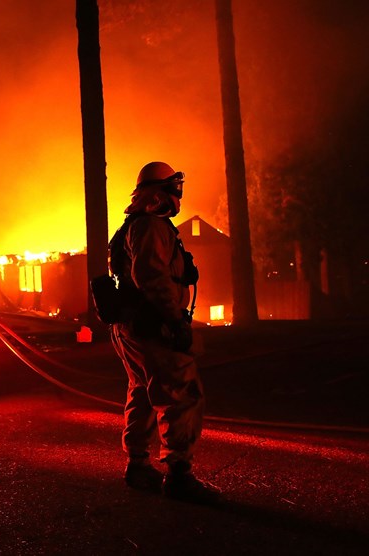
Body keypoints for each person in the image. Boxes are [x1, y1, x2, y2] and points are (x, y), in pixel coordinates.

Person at [108, 161, 219, 504]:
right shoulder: (152, 227)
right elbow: (153, 277)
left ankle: (138, 465)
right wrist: (174, 321)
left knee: (143, 392)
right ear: (158, 194)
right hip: (153, 325)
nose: (178, 196)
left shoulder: (135, 225)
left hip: (134, 326)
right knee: (180, 392)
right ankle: (179, 475)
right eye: (173, 188)